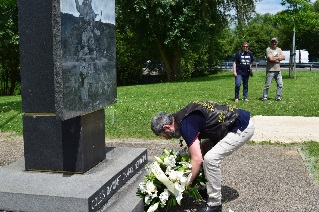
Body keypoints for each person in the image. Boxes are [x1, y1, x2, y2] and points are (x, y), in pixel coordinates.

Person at [151, 100, 255, 212]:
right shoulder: (182, 117)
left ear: (167, 127)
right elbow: (198, 151)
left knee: (211, 159)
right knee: (202, 151)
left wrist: (185, 186)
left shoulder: (186, 124)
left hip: (241, 126)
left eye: (163, 135)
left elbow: (197, 159)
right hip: (230, 124)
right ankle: (209, 189)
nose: (166, 138)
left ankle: (215, 205)